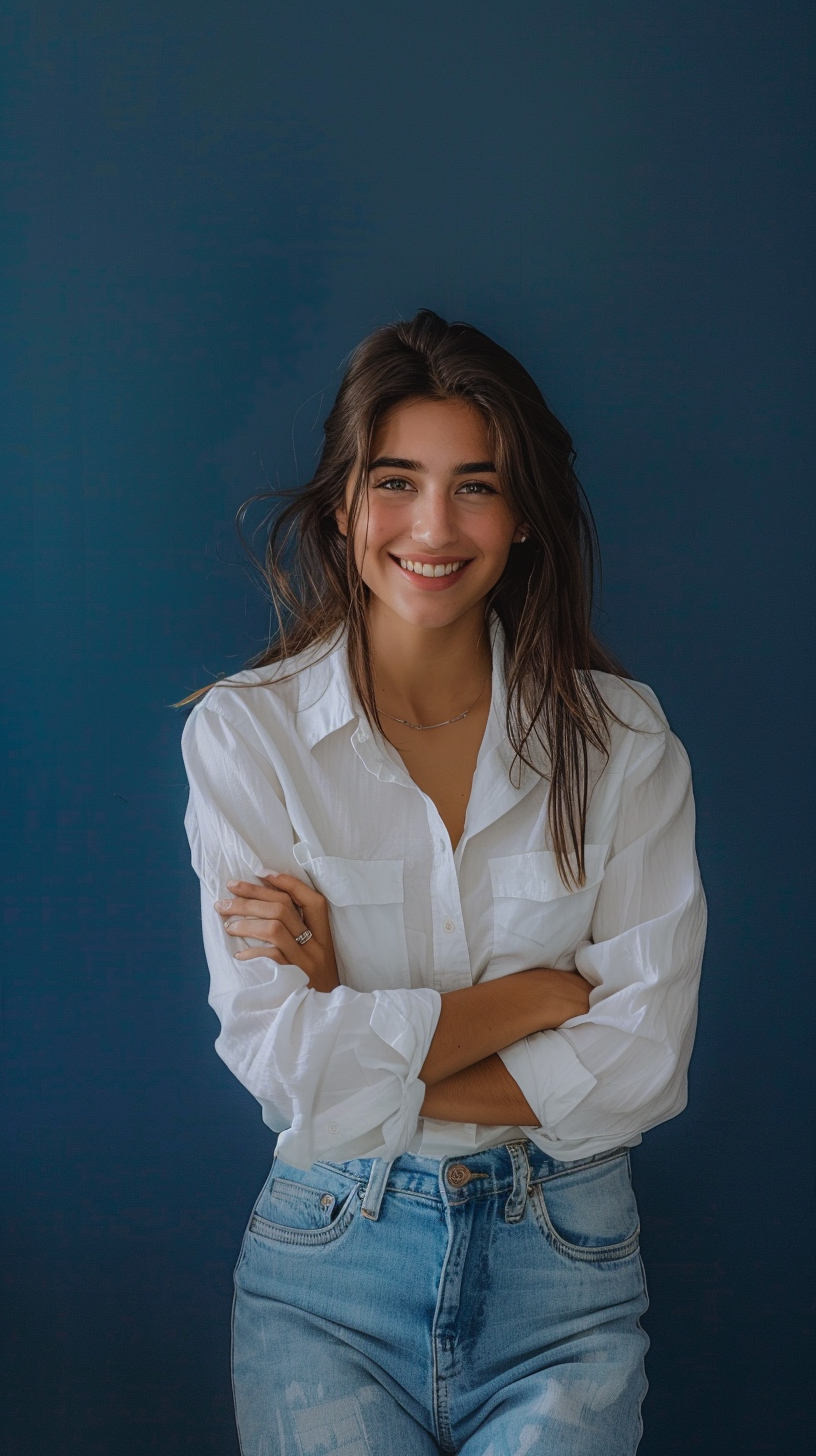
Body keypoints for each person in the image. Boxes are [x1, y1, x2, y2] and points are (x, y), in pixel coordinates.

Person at [180, 309, 706, 1455]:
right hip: (328, 1274)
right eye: (397, 481)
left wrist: (360, 1040)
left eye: (476, 485)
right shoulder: (247, 737)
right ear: (341, 505)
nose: (432, 525)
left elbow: (645, 1064)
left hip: (565, 1271)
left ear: (523, 519)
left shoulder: (625, 745)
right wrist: (528, 1000)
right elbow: (279, 1060)